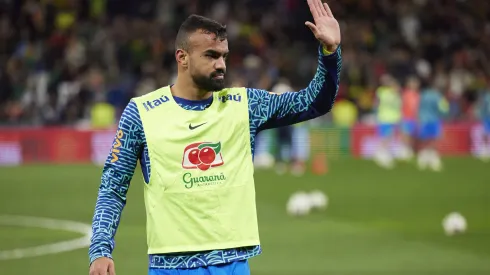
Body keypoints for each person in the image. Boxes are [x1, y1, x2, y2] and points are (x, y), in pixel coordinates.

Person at [88, 1, 342, 275]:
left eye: (223, 55)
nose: (221, 64)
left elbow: (315, 102)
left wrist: (330, 52)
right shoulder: (141, 113)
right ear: (182, 57)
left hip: (232, 264)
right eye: (210, 55)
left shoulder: (244, 105)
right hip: (172, 266)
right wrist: (100, 250)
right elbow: (113, 187)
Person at [416, 83, 449, 171]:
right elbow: (444, 109)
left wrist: (418, 117)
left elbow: (418, 107)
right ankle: (432, 157)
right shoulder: (438, 96)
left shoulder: (422, 95)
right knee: (434, 138)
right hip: (434, 120)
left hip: (424, 119)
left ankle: (423, 157)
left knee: (425, 138)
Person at [373, 74, 402, 168]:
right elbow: (376, 103)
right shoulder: (381, 91)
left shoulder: (395, 92)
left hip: (393, 118)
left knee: (390, 137)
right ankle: (381, 154)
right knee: (385, 136)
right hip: (384, 118)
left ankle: (385, 154)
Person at [399, 76, 420, 160]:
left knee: (411, 135)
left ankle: (409, 149)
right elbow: (401, 105)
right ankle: (404, 150)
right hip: (406, 117)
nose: (414, 85)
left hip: (414, 118)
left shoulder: (417, 95)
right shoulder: (405, 94)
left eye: (415, 83)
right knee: (405, 134)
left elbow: (418, 107)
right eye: (412, 83)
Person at [477, 83, 490, 161]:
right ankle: (485, 149)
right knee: (485, 132)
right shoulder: (486, 97)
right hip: (487, 117)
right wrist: (481, 116)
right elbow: (483, 107)